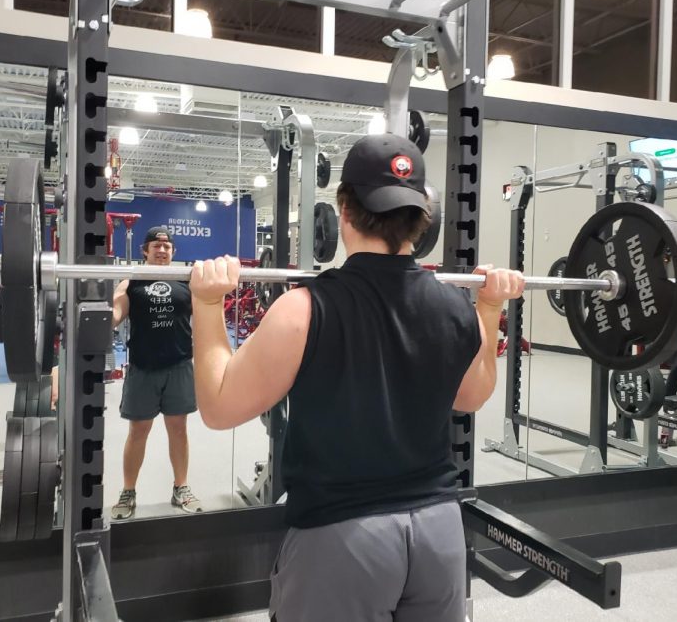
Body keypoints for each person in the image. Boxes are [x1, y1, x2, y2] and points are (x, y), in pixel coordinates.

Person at [189, 133, 524, 621]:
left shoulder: (302, 309)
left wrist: (207, 303)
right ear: (420, 219)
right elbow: (473, 395)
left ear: (343, 211)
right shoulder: (456, 306)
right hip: (439, 534)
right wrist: (489, 308)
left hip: (342, 539)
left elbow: (219, 408)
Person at [110, 226, 202, 519]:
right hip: (143, 367)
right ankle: (128, 492)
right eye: (155, 246)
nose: (162, 250)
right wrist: (97, 319)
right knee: (138, 431)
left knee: (179, 430)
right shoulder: (132, 282)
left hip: (178, 365)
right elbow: (115, 312)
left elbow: (203, 320)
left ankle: (181, 487)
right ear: (145, 251)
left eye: (166, 246)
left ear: (173, 252)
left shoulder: (186, 281)